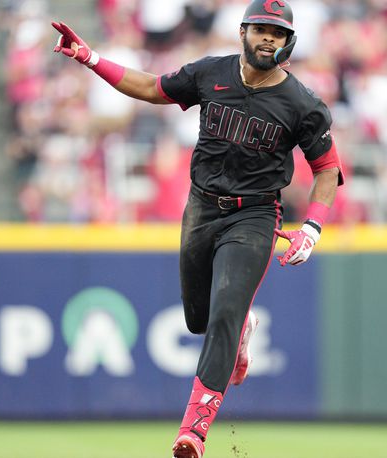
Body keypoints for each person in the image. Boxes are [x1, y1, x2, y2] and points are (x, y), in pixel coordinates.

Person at [52, 1, 343, 456]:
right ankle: (241, 325)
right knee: (198, 319)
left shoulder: (302, 103)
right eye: (262, 29)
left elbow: (327, 169)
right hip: (202, 207)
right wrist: (90, 58)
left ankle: (195, 428)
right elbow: (151, 87)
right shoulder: (212, 73)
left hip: (256, 214)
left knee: (224, 311)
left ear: (289, 42)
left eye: (279, 33)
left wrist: (313, 227)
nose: (269, 38)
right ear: (243, 31)